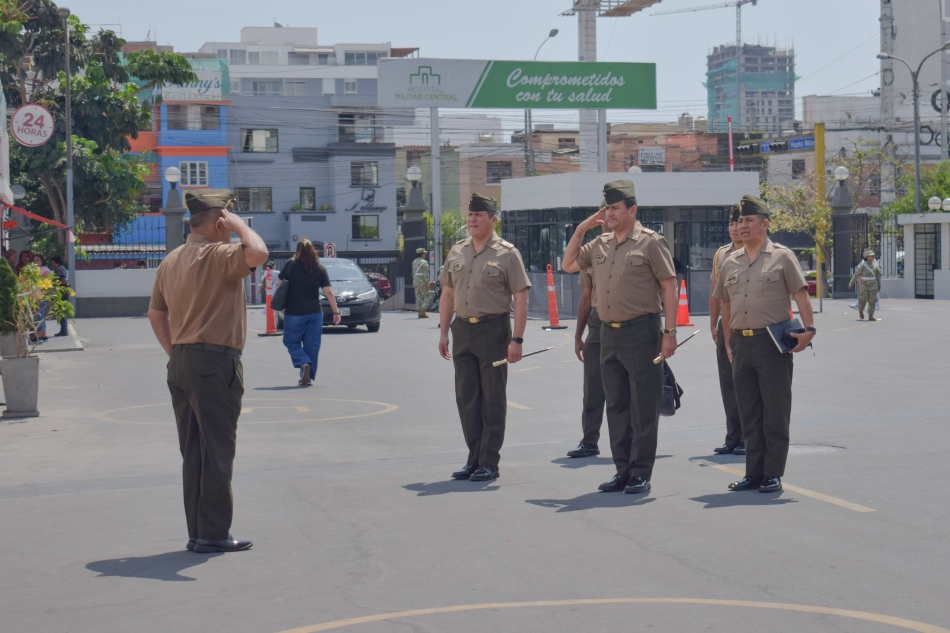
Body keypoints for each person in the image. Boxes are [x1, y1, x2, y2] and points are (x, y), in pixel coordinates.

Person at [147, 189, 269, 553]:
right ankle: (214, 533)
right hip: (214, 362)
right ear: (219, 223)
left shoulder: (170, 260)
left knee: (194, 452)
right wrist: (241, 225)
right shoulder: (219, 254)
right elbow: (259, 252)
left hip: (182, 360)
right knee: (217, 450)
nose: (232, 231)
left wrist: (177, 352)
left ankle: (198, 531)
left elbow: (156, 314)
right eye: (228, 223)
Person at [562, 180, 678, 495]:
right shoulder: (599, 244)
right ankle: (622, 471)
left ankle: (641, 472)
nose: (609, 213)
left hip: (642, 331)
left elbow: (669, 285)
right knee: (616, 406)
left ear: (632, 209)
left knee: (643, 407)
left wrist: (670, 332)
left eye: (615, 208)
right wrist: (583, 228)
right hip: (608, 334)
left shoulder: (651, 242)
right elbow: (568, 264)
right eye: (606, 208)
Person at [714, 195, 816, 494]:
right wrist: (728, 342)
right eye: (740, 221)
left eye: (749, 221)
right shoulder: (729, 260)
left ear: (765, 224)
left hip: (772, 342)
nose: (743, 226)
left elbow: (801, 295)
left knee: (775, 410)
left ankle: (773, 473)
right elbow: (726, 305)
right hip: (741, 345)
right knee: (748, 411)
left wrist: (809, 329)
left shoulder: (782, 256)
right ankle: (753, 473)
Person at [438, 193, 531, 482]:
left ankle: (489, 461)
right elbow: (448, 294)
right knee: (467, 398)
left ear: (493, 219)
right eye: (470, 215)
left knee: (492, 399)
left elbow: (521, 297)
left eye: (479, 215)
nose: (472, 219)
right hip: (462, 329)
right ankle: (473, 458)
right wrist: (443, 332)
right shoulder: (457, 251)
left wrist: (517, 340)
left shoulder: (506, 253)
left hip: (493, 329)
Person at [566, 210, 606, 459]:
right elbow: (586, 297)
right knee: (593, 388)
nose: (608, 219)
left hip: (634, 327)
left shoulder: (644, 244)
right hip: (598, 326)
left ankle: (634, 443)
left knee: (632, 390)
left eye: (614, 210)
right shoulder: (593, 250)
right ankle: (589, 440)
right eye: (604, 215)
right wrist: (578, 335)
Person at [277, 238, 341, 386]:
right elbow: (328, 292)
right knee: (312, 345)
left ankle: (302, 362)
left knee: (290, 341)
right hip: (315, 313)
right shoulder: (319, 268)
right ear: (313, 252)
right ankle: (308, 377)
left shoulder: (291, 265)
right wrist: (336, 312)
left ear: (297, 251)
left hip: (294, 312)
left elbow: (280, 284)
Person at [710, 205, 745, 456]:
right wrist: (714, 324)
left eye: (739, 223)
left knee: (747, 385)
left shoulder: (759, 252)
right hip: (727, 326)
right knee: (728, 383)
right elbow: (716, 293)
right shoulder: (722, 254)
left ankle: (747, 437)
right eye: (731, 224)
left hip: (750, 326)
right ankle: (733, 437)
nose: (734, 229)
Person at [849, 248, 881, 321]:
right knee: (863, 300)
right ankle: (861, 310)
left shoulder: (876, 265)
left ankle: (871, 315)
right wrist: (851, 283)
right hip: (864, 285)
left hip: (873, 285)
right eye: (871, 256)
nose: (872, 257)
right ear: (867, 257)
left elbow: (878, 276)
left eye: (873, 256)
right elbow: (855, 275)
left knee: (872, 300)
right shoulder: (862, 265)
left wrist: (879, 286)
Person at [49, 256, 70, 337]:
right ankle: (63, 329)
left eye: (53, 263)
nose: (52, 264)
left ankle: (64, 329)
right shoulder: (60, 268)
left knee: (61, 311)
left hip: (62, 292)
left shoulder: (59, 269)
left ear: (55, 262)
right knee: (61, 311)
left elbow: (64, 281)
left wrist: (54, 282)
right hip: (62, 291)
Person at [412, 247, 431, 319]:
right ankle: (423, 310)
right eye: (424, 253)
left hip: (416, 281)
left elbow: (413, 273)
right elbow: (425, 274)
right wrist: (428, 283)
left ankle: (419, 311)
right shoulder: (424, 262)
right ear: (422, 254)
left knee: (418, 297)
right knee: (427, 295)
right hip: (422, 281)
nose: (425, 254)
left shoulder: (414, 262)